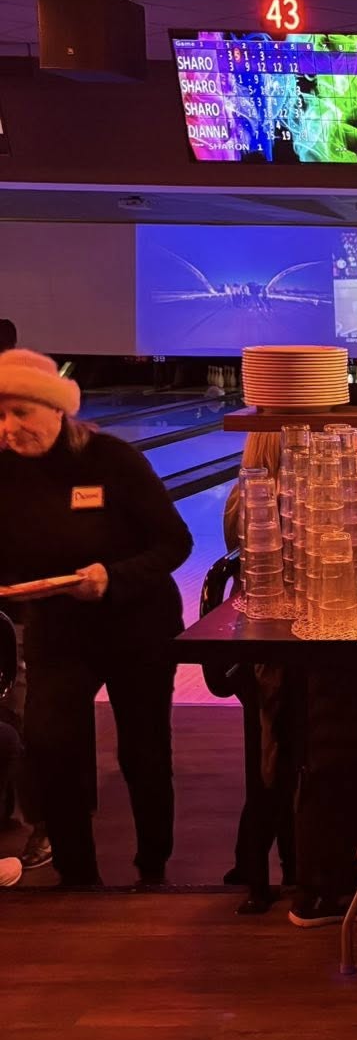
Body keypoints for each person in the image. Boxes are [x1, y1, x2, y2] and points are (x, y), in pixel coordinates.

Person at [0, 349, 192, 889]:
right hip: (58, 629)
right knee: (51, 745)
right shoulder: (4, 471)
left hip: (138, 624)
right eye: (0, 416)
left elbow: (175, 542)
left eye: (20, 412)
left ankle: (152, 867)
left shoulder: (112, 460)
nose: (9, 428)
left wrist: (112, 577)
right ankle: (77, 875)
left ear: (56, 409)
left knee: (143, 751)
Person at [217, 433, 296, 914]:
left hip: (255, 645)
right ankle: (284, 863)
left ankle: (255, 861)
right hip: (275, 650)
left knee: (272, 750)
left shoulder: (239, 496)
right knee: (283, 754)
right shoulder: (275, 501)